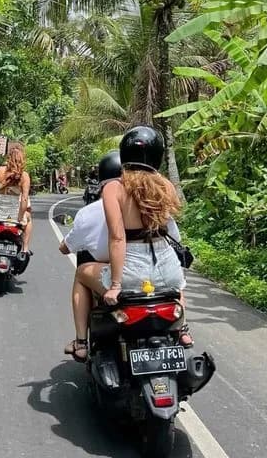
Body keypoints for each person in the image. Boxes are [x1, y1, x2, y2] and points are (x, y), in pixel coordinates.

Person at [64, 126, 192, 363]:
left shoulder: (115, 187)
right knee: (176, 285)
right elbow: (171, 230)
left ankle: (81, 342)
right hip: (167, 270)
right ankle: (182, 330)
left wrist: (115, 285)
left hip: (131, 273)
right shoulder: (166, 186)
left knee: (82, 273)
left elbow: (118, 237)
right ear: (158, 155)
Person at [60, 150, 122, 266]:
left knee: (82, 273)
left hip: (115, 272)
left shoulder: (88, 213)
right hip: (152, 273)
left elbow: (65, 248)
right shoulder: (150, 207)